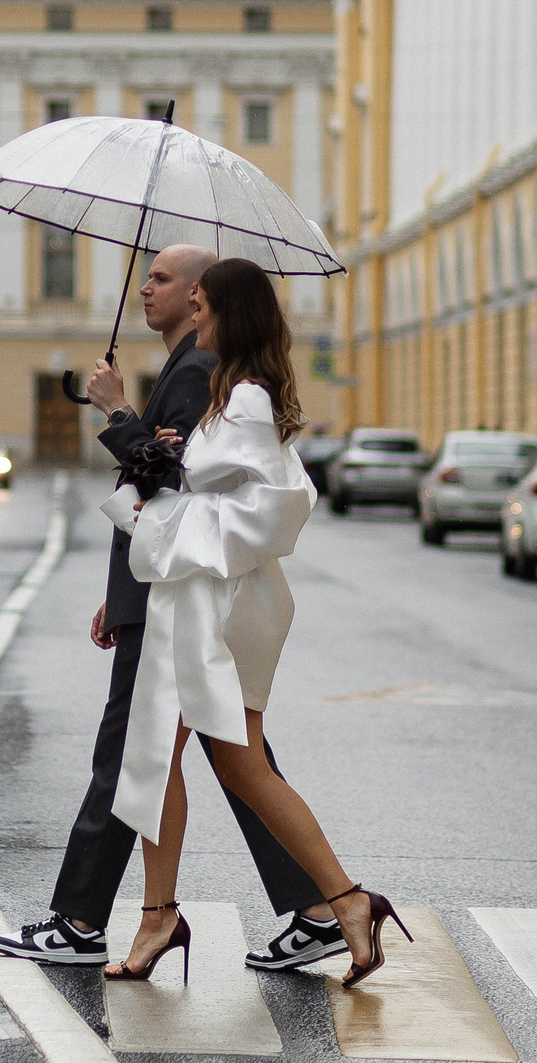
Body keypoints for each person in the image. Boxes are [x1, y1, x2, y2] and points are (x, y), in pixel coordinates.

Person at [0, 245, 339, 978]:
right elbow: (173, 485)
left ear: (200, 298)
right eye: (146, 278)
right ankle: (316, 907)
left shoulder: (197, 372)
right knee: (225, 757)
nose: (146, 289)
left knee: (140, 752)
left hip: (183, 592)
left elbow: (168, 484)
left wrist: (116, 408)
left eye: (164, 280)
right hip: (176, 587)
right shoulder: (197, 368)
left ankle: (87, 919)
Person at [101, 256, 405, 987]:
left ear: (229, 312)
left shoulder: (241, 397)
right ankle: (339, 901)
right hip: (212, 599)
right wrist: (165, 458)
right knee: (212, 759)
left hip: (216, 604)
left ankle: (180, 913)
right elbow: (195, 481)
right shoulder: (229, 395)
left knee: (187, 756)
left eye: (201, 302)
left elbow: (252, 503)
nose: (193, 314)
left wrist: (121, 421)